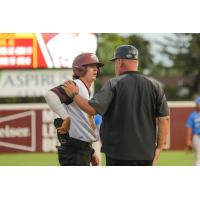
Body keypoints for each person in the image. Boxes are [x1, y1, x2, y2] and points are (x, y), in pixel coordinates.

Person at [64, 44, 170, 166]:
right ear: (137, 62)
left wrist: (74, 94)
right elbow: (164, 119)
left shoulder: (114, 83)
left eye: (115, 62)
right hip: (146, 154)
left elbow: (91, 109)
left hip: (118, 154)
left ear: (119, 62)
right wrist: (159, 147)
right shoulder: (155, 86)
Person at [44, 52, 104, 166]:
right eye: (91, 66)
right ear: (80, 69)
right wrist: (66, 118)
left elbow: (84, 123)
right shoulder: (75, 85)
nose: (96, 69)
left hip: (82, 148)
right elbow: (50, 95)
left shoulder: (84, 88)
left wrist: (90, 151)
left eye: (97, 67)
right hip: (74, 150)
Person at [186, 96, 200, 166]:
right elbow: (189, 128)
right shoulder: (193, 115)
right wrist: (188, 140)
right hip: (197, 137)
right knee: (198, 156)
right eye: (197, 103)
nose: (198, 105)